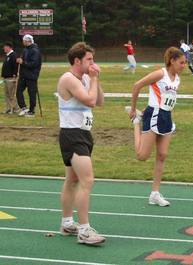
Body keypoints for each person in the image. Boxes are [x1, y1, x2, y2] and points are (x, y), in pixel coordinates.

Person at [57, 42, 105, 245]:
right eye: (89, 59)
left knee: (72, 180)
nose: (93, 63)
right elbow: (90, 101)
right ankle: (84, 230)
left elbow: (100, 100)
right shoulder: (68, 79)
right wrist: (93, 79)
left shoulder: (85, 78)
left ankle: (67, 222)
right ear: (77, 61)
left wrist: (96, 79)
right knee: (87, 180)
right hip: (72, 135)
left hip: (84, 134)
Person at [125, 47, 186, 206]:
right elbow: (137, 85)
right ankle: (136, 123)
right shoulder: (160, 74)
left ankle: (155, 193)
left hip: (166, 117)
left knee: (162, 155)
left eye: (185, 63)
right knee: (142, 156)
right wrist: (133, 109)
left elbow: (166, 98)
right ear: (172, 61)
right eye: (181, 62)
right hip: (154, 116)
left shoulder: (177, 78)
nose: (184, 65)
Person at [16, 34, 42, 117]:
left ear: (28, 41)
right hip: (23, 75)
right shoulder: (25, 50)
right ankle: (24, 108)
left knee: (31, 94)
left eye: (24, 41)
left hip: (31, 76)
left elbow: (34, 64)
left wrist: (23, 62)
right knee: (18, 91)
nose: (23, 42)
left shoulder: (35, 50)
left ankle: (32, 111)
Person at [1, 42, 19, 114]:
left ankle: (16, 109)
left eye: (5, 47)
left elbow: (16, 66)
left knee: (12, 94)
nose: (4, 49)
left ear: (9, 47)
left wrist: (15, 75)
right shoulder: (8, 56)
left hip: (11, 78)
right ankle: (8, 109)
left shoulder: (13, 55)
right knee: (7, 94)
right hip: (6, 78)